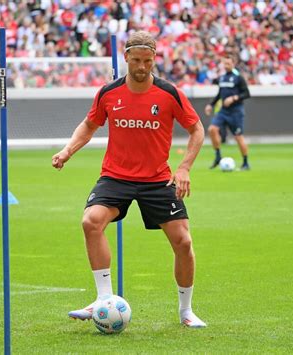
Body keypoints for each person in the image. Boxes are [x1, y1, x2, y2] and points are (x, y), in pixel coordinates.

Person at [52, 31, 207, 328]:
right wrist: (67, 150)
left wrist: (184, 167)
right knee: (90, 222)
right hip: (116, 176)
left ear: (154, 59)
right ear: (126, 58)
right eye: (136, 60)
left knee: (184, 242)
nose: (142, 66)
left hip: (157, 179)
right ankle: (103, 300)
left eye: (147, 61)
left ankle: (186, 310)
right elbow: (89, 124)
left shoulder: (169, 93)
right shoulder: (109, 93)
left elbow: (197, 129)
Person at [205, 55, 251, 170]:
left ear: (233, 64)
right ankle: (218, 156)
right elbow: (220, 94)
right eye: (224, 64)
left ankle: (245, 162)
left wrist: (234, 98)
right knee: (212, 129)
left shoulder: (238, 78)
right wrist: (211, 104)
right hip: (223, 111)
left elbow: (246, 94)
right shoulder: (222, 78)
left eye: (228, 64)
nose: (226, 66)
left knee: (238, 137)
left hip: (236, 112)